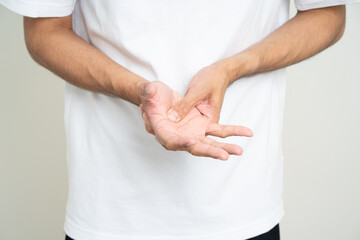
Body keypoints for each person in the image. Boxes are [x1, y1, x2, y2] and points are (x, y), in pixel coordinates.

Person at [0, 0, 358, 239]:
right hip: (109, 211)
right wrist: (137, 90)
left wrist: (233, 68)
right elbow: (44, 29)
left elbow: (327, 12)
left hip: (241, 206)